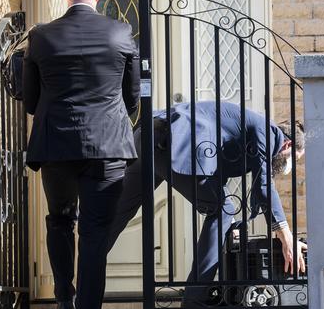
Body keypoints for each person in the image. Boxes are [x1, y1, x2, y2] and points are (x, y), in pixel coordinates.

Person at [107, 101, 306, 307]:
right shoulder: (271, 132)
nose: (289, 165)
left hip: (147, 136)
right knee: (222, 211)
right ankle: (195, 299)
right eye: (294, 159)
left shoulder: (253, 131)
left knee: (115, 217)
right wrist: (286, 236)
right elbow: (264, 185)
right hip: (172, 142)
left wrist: (231, 228)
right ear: (288, 145)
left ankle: (83, 291)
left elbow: (220, 176)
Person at [22, 0, 139, 309]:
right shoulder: (120, 32)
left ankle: (63, 297)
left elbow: (30, 101)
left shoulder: (41, 36)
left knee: (60, 219)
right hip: (107, 148)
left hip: (56, 145)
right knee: (94, 232)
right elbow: (132, 98)